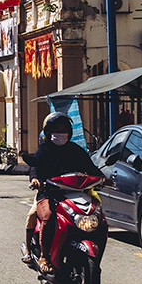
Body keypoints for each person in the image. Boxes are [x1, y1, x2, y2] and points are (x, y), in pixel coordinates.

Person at [26, 112, 103, 274]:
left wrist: (104, 178)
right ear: (48, 132)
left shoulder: (76, 150)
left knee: (99, 219)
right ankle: (44, 257)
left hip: (75, 194)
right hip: (49, 195)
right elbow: (35, 168)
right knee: (49, 216)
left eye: (63, 129)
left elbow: (91, 168)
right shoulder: (44, 151)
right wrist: (35, 179)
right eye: (56, 129)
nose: (60, 133)